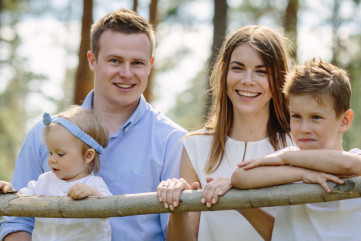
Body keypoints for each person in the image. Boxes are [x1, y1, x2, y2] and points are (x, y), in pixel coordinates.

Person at [0, 8, 187, 241]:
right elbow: (17, 221)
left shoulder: (173, 142)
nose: (126, 73)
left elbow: (179, 232)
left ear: (150, 65)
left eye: (137, 63)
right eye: (115, 60)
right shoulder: (44, 133)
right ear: (92, 61)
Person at [157, 25, 293, 241]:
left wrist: (241, 200)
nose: (248, 80)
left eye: (261, 71)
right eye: (238, 68)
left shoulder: (298, 144)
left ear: (280, 78)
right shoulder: (195, 147)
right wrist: (178, 206)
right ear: (224, 72)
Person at [232, 59, 361, 240]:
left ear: (345, 120)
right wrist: (300, 174)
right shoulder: (291, 160)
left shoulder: (289, 158)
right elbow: (240, 176)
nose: (304, 128)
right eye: (296, 116)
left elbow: (350, 165)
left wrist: (286, 159)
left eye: (316, 117)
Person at [0, 106, 112, 241]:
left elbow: (109, 208)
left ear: (88, 156)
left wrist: (94, 195)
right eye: (50, 152)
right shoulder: (44, 181)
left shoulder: (93, 185)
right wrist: (10, 191)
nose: (52, 159)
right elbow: (23, 197)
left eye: (60, 154)